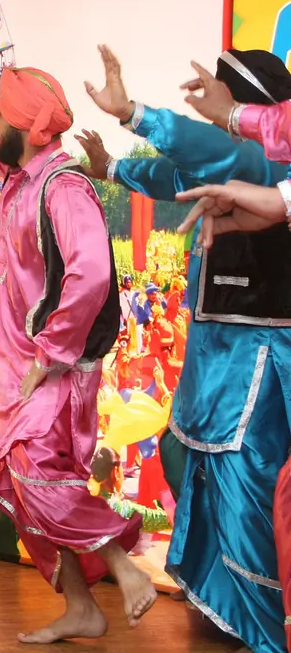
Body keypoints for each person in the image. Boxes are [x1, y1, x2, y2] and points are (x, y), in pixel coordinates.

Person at [0, 41, 154, 644]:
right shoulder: (17, 167)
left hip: (55, 369)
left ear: (30, 130)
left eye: (7, 116)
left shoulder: (62, 188)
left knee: (37, 475)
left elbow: (91, 273)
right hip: (21, 368)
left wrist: (50, 354)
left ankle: (122, 564)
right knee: (19, 487)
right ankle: (83, 607)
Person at [81, 45, 291, 652]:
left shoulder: (259, 156)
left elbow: (211, 149)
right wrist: (112, 169)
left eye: (223, 100)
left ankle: (266, 622)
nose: (212, 110)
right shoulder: (238, 158)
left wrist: (136, 114)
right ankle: (230, 606)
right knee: (196, 459)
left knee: (245, 479)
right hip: (220, 353)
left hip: (253, 359)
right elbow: (172, 176)